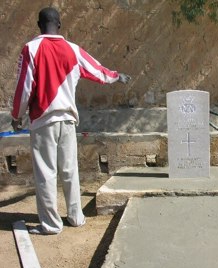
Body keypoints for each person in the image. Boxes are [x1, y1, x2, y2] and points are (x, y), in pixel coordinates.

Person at [11, 7, 131, 235]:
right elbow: (97, 70)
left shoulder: (31, 49)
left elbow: (23, 88)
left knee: (46, 172)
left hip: (43, 121)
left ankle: (51, 224)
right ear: (60, 25)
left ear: (39, 25)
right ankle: (76, 217)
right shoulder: (73, 50)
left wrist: (17, 116)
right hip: (67, 119)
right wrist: (117, 76)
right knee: (69, 169)